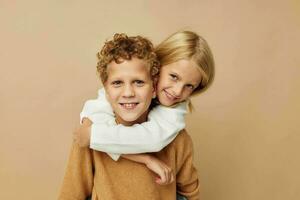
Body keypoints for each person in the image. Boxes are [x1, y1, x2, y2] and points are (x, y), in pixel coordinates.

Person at [59, 33, 201, 200]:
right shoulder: (91, 131)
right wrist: (146, 159)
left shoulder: (177, 139)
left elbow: (190, 192)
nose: (128, 93)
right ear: (106, 90)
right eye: (117, 83)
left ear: (154, 87)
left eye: (139, 82)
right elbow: (71, 193)